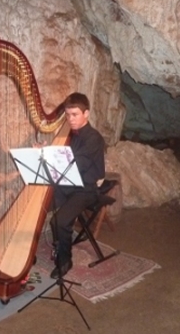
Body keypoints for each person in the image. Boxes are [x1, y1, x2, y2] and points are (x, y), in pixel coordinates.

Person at [49, 92, 105, 279]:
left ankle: (65, 260)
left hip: (86, 189)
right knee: (41, 205)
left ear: (86, 113)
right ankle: (35, 251)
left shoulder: (93, 138)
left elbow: (77, 165)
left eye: (75, 115)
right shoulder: (69, 135)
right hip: (67, 184)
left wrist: (49, 155)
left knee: (60, 220)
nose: (70, 119)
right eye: (67, 115)